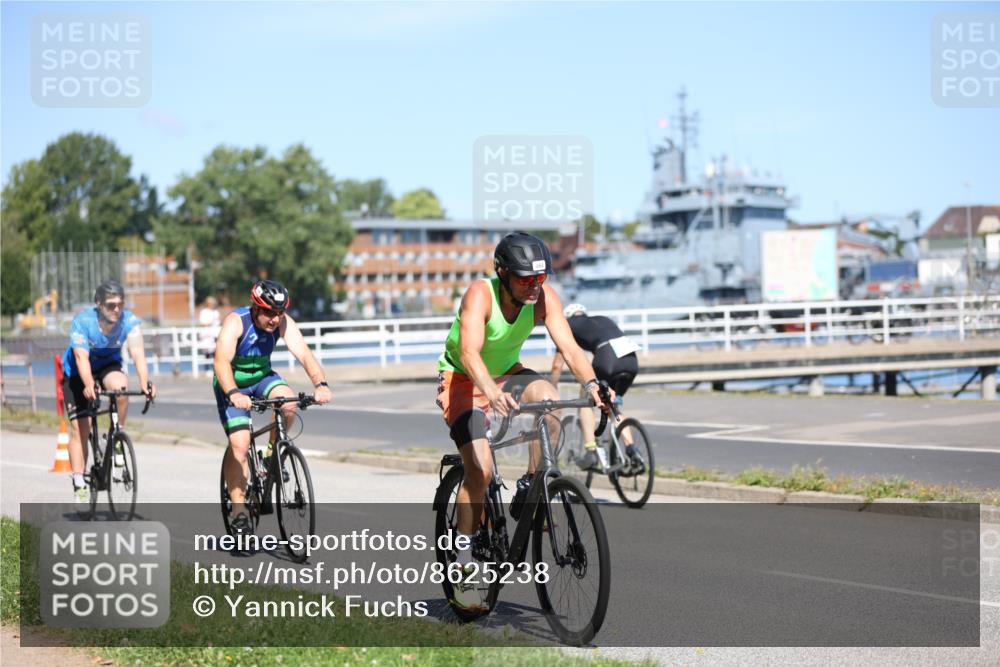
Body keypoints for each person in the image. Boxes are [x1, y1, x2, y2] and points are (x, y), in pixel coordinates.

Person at [436, 232, 612, 611]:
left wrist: (595, 386)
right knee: (479, 471)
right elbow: (469, 352)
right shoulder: (480, 295)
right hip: (464, 378)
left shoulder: (543, 299)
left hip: (507, 372)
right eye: (525, 279)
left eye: (540, 278)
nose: (534, 287)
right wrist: (490, 392)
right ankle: (464, 566)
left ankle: (533, 484)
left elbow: (569, 347)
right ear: (502, 273)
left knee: (550, 401)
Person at [213, 279, 332, 535]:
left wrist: (320, 384)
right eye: (269, 312)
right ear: (256, 308)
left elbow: (304, 354)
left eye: (279, 313)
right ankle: (239, 511)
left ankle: (271, 458)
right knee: (240, 446)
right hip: (232, 383)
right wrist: (233, 393)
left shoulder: (284, 322)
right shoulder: (236, 322)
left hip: (262, 378)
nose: (275, 319)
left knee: (289, 404)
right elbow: (221, 361)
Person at [61, 279, 156, 504]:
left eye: (120, 304)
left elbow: (138, 353)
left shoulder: (129, 321)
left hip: (106, 366)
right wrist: (87, 384)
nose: (116, 309)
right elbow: (80, 357)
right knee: (80, 429)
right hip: (77, 373)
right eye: (111, 305)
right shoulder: (82, 322)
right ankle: (78, 480)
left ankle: (117, 436)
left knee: (120, 388)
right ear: (99, 304)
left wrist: (145, 382)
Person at [551, 303, 641, 470]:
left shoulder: (567, 326)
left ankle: (590, 451)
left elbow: (557, 365)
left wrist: (552, 387)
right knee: (611, 405)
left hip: (607, 358)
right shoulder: (602, 320)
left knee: (586, 398)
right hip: (631, 360)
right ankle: (631, 449)